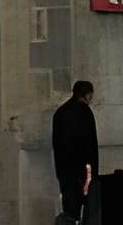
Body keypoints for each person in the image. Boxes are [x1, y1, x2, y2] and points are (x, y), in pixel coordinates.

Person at [51, 78, 100, 223]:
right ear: (87, 95)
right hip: (83, 172)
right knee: (87, 209)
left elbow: (57, 143)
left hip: (65, 171)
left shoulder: (60, 112)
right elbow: (90, 145)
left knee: (70, 210)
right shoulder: (85, 112)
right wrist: (93, 174)